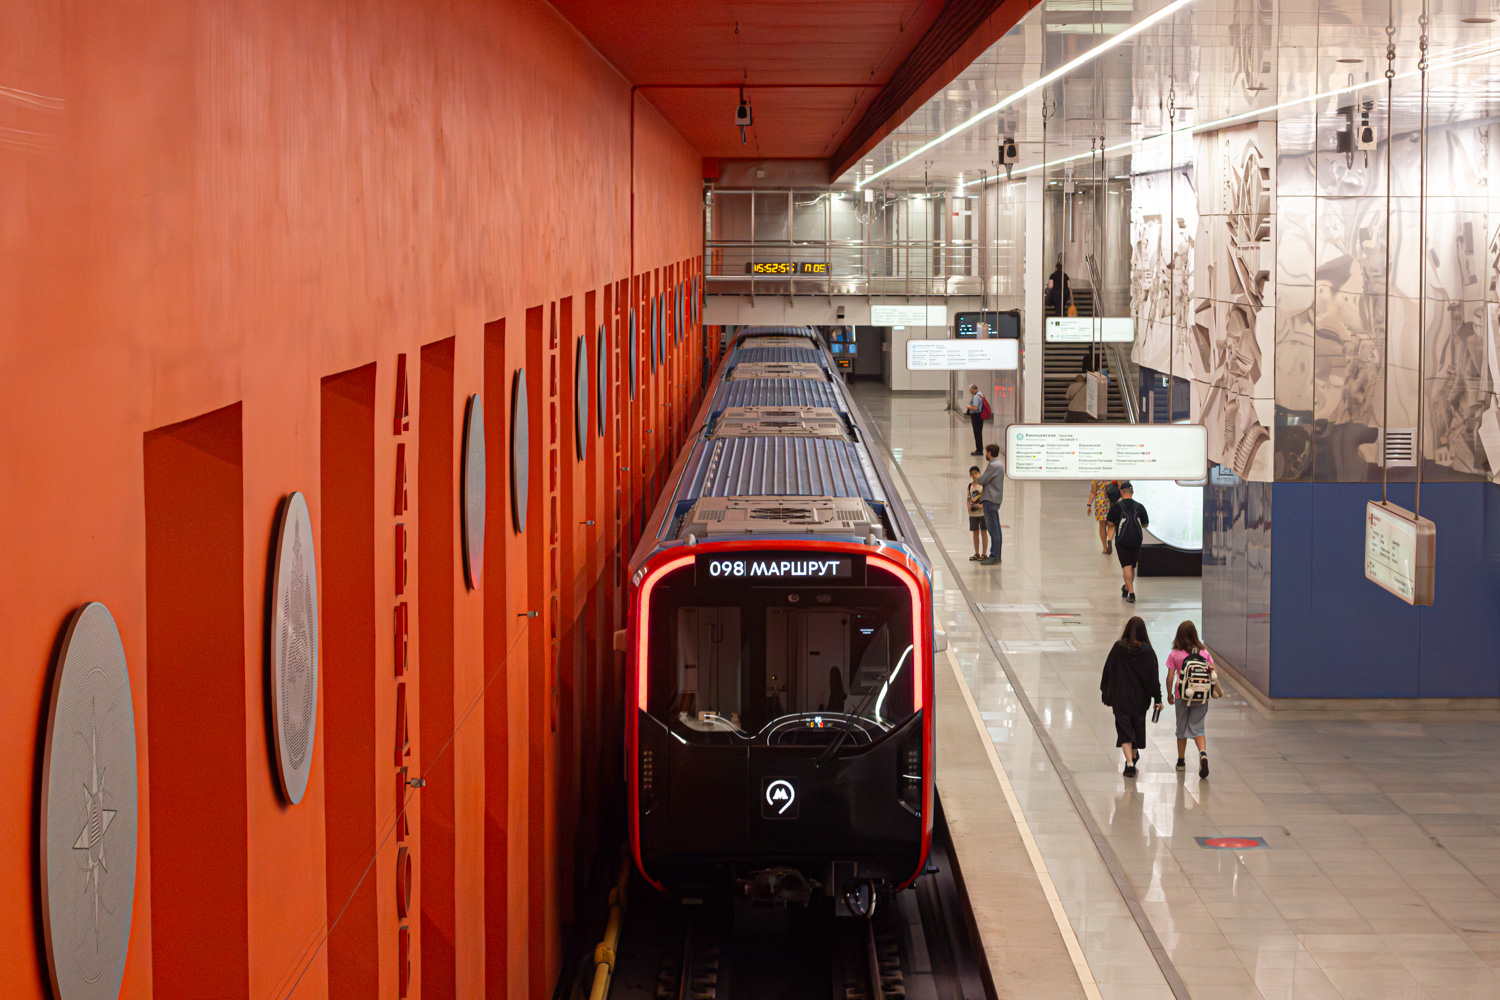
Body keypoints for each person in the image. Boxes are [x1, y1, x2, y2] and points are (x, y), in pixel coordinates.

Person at [1099, 616, 1162, 778]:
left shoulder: (1118, 648)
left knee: (1124, 730)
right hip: (1140, 699)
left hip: (1121, 697)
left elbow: (1108, 670)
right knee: (1137, 728)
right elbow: (1153, 678)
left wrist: (1107, 691)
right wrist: (1158, 699)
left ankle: (1129, 763)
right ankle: (1133, 757)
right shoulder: (1148, 652)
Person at [1164, 621, 1222, 778]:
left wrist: (1169, 693)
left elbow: (1170, 677)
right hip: (1201, 696)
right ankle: (1202, 753)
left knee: (1181, 728)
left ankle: (1181, 761)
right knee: (1198, 728)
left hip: (1182, 696)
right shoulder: (1204, 653)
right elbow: (1214, 672)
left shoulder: (1175, 654)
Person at [1106, 481, 1149, 603]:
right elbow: (1145, 524)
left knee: (1126, 566)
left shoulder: (1116, 507)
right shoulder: (1140, 507)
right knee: (1132, 565)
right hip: (1136, 540)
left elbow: (1110, 524)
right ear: (1132, 492)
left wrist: (1109, 540)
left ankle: (1131, 592)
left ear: (1121, 491)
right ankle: (1127, 588)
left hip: (1122, 540)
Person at [977, 443, 1004, 565]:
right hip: (995, 499)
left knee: (993, 530)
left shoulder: (993, 466)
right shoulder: (999, 465)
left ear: (989, 453)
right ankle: (997, 555)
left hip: (990, 499)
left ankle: (994, 555)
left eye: (986, 452)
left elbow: (981, 480)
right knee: (997, 529)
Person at [1088, 480, 1117, 553]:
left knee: (1102, 525)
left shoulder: (1096, 477)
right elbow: (1119, 487)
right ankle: (1109, 539)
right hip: (1111, 501)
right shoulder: (1112, 474)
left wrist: (1089, 504)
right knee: (1112, 525)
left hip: (1100, 502)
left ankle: (1105, 548)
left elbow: (1093, 492)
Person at [967, 466, 985, 561]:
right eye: (972, 473)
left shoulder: (982, 486)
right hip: (973, 514)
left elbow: (986, 497)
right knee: (975, 533)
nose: (974, 475)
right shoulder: (970, 486)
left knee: (984, 532)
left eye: (976, 473)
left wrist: (982, 506)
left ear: (979, 474)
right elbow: (968, 498)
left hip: (982, 513)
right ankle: (977, 552)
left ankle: (984, 553)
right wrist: (969, 506)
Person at [963, 383, 986, 455]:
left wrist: (969, 407)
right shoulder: (981, 394)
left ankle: (979, 449)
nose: (970, 392)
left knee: (977, 433)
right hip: (979, 416)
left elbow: (975, 407)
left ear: (973, 389)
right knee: (978, 432)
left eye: (970, 390)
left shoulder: (976, 396)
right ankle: (979, 448)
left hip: (976, 416)